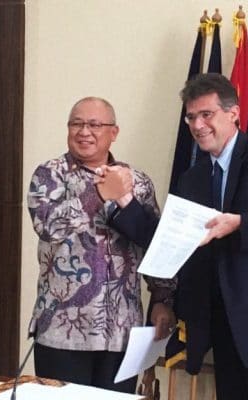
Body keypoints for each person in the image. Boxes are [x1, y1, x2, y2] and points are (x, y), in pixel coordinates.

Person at [109, 73, 248, 399]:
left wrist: (242, 225)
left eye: (206, 114)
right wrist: (124, 200)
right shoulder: (193, 179)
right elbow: (168, 240)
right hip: (221, 325)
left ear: (233, 113)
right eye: (191, 117)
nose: (197, 125)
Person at [26, 97, 176, 393]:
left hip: (122, 331)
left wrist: (163, 299)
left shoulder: (137, 181)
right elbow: (47, 226)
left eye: (94, 125)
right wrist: (98, 194)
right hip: (63, 331)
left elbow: (154, 244)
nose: (84, 132)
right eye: (76, 124)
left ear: (113, 132)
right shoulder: (50, 174)